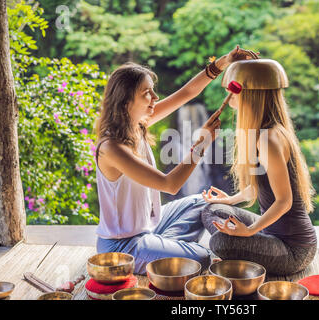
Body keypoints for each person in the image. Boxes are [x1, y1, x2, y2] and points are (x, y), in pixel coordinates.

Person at [93, 46, 259, 274]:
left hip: (150, 228)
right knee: (201, 257)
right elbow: (169, 185)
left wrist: (223, 62)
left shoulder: (137, 125)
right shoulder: (111, 148)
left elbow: (187, 93)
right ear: (125, 101)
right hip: (123, 246)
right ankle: (169, 252)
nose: (155, 98)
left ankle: (166, 250)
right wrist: (201, 144)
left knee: (201, 202)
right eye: (147, 93)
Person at [201, 59, 317, 275]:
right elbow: (261, 186)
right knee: (212, 210)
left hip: (293, 250)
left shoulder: (269, 139)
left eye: (234, 92)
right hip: (272, 232)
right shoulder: (263, 133)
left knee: (219, 242)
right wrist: (229, 200)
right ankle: (246, 254)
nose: (229, 96)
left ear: (251, 94)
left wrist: (250, 231)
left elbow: (284, 201)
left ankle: (244, 258)